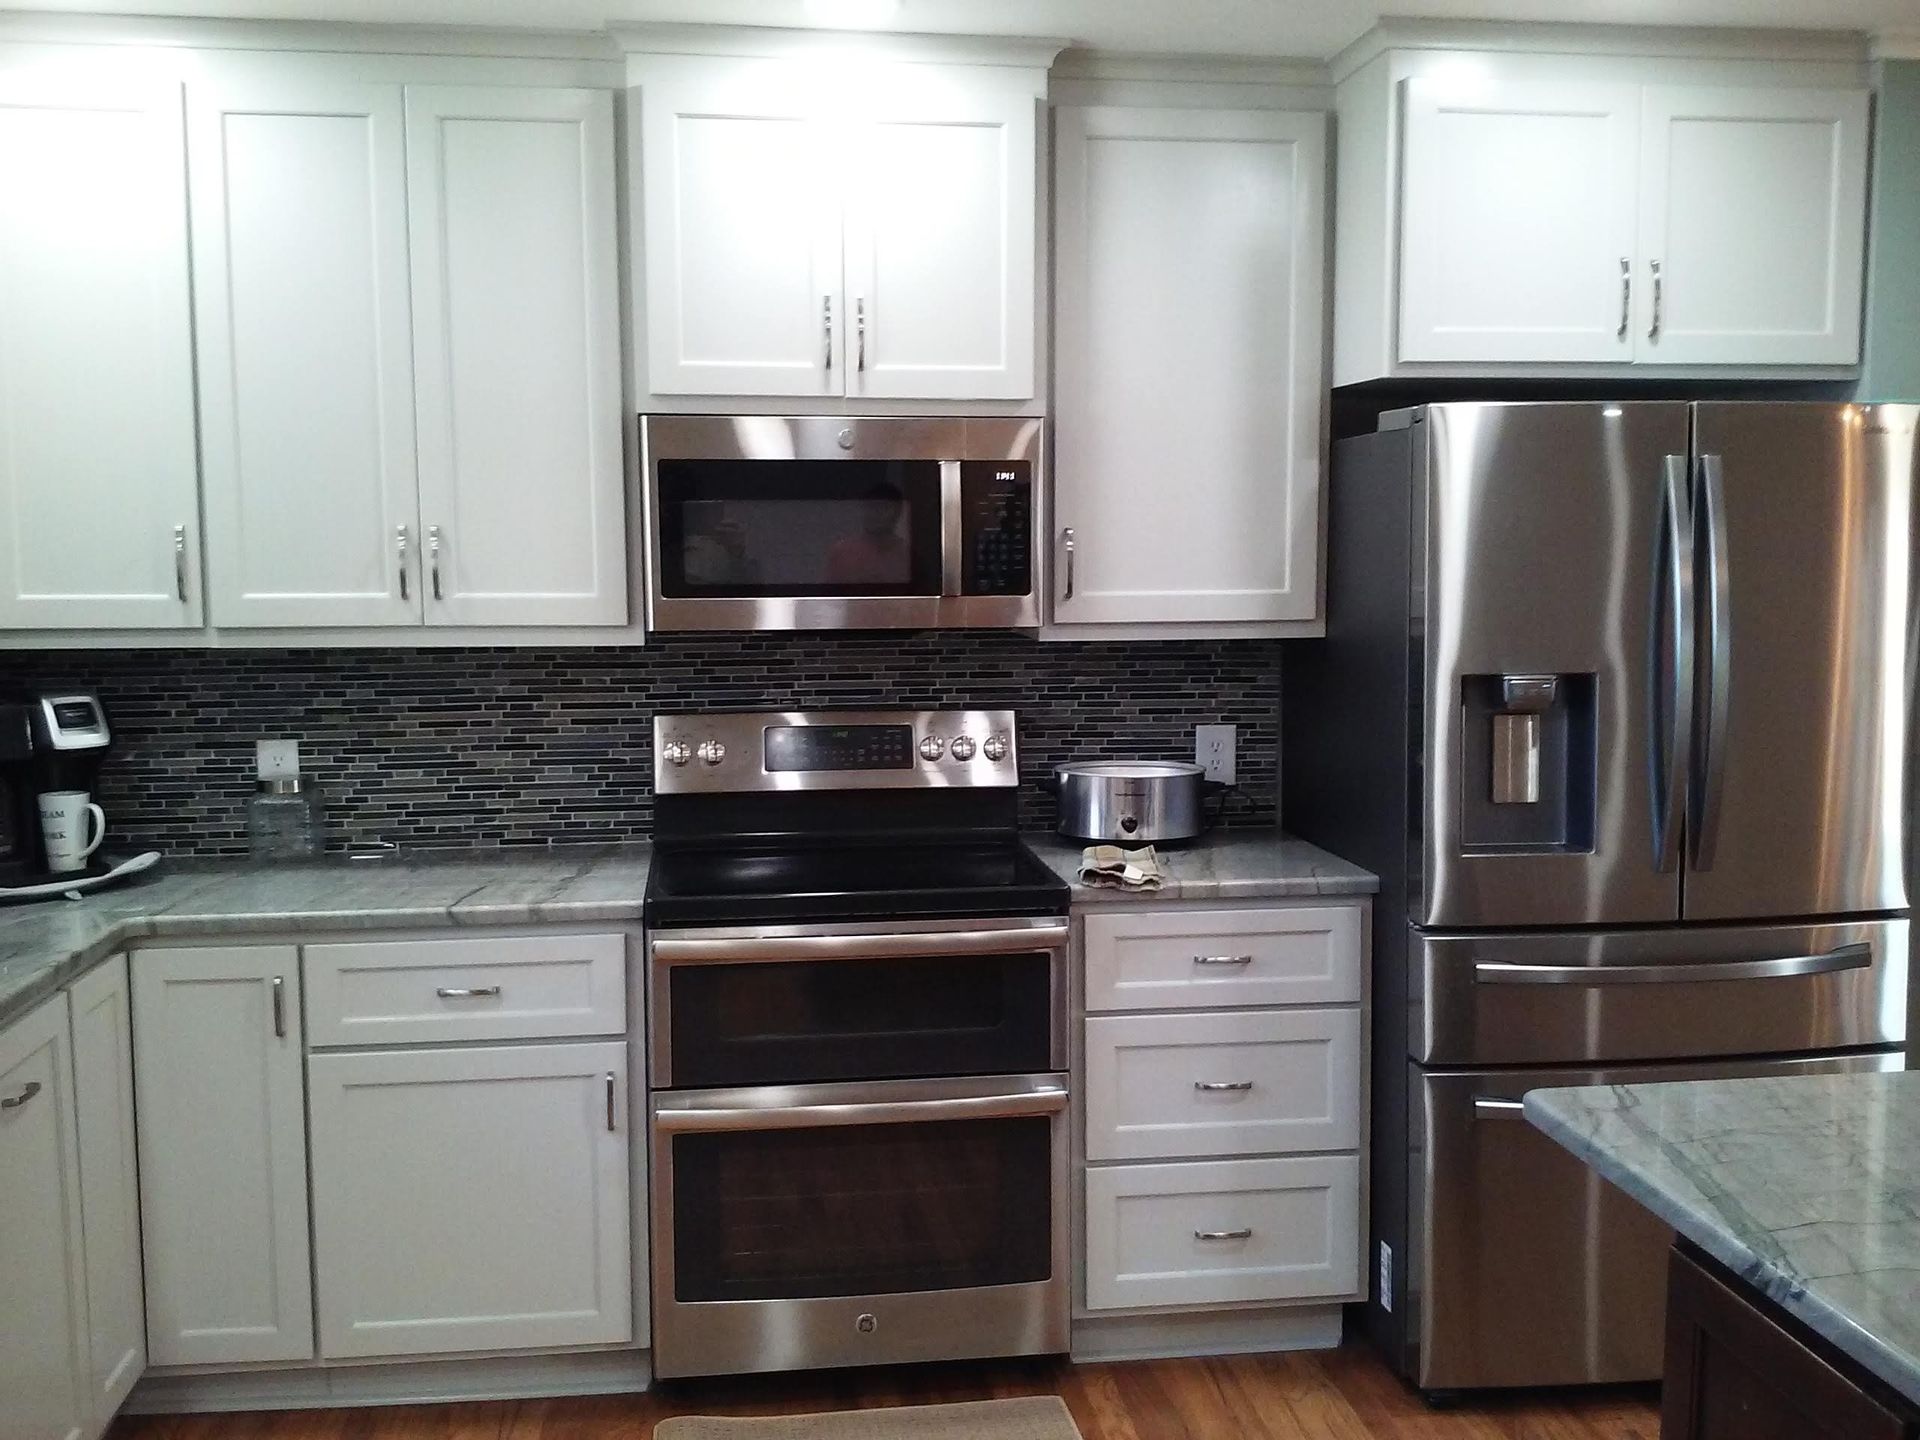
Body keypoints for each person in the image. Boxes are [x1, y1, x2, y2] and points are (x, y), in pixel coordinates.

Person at [825, 482, 911, 585]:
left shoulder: (908, 554)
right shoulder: (842, 552)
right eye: (872, 507)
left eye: (884, 507)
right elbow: (831, 596)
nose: (877, 513)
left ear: (898, 511)